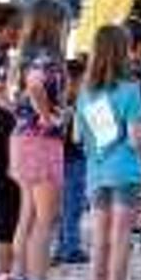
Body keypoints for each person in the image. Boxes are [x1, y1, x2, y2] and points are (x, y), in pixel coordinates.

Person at [75, 25, 141, 280]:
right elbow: (136, 138)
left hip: (97, 171)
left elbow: (80, 137)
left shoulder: (85, 93)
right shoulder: (130, 89)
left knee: (100, 240)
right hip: (125, 170)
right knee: (121, 242)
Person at [9, 0, 71, 280]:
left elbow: (17, 89)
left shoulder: (24, 55)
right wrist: (48, 115)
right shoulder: (47, 57)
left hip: (22, 139)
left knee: (28, 217)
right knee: (45, 221)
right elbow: (35, 86)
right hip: (42, 142)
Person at [0, 3, 23, 280]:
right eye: (15, 27)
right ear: (0, 29)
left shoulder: (3, 59)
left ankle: (7, 271)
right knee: (6, 208)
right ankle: (4, 274)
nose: (19, 32)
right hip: (0, 143)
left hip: (3, 141)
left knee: (9, 206)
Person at [53, 58, 89, 265]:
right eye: (83, 82)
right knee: (72, 204)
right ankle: (70, 248)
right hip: (72, 158)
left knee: (66, 205)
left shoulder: (62, 105)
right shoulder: (68, 107)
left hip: (67, 157)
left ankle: (63, 246)